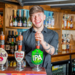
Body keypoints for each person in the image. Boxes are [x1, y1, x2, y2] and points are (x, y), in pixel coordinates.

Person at [22, 5, 58, 75]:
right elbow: (22, 55)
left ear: (44, 17)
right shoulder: (24, 35)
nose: (37, 18)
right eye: (33, 16)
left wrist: (42, 42)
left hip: (46, 71)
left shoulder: (53, 34)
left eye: (39, 15)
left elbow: (52, 51)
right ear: (30, 19)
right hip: (30, 71)